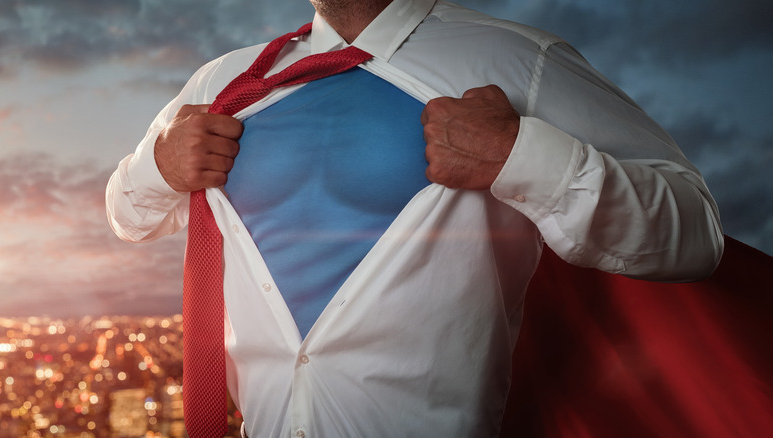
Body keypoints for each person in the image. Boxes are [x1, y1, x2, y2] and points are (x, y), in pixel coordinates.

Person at [106, 0, 724, 436]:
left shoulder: (519, 61)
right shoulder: (224, 81)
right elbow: (126, 215)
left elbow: (695, 232)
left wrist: (521, 155)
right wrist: (156, 167)